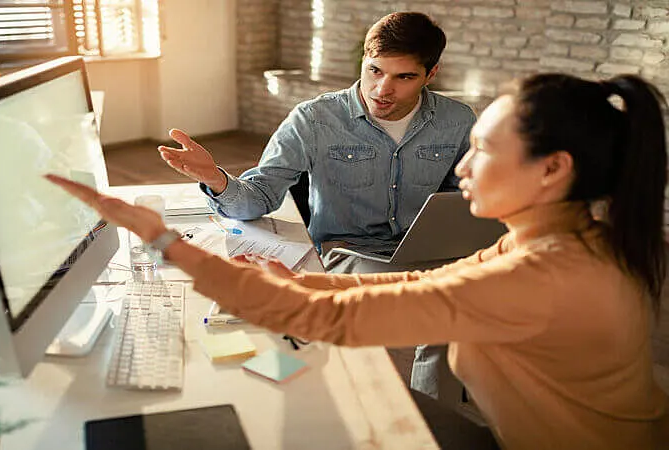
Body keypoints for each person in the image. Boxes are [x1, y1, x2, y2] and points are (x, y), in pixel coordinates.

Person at [48, 72, 669, 448]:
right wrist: (313, 288)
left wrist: (162, 240)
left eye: (482, 149)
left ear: (553, 169)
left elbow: (340, 326)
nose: (461, 167)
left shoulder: (540, 277)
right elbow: (428, 280)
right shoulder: (556, 235)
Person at [158, 12, 476, 251]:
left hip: (430, 254)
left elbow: (464, 200)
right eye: (375, 71)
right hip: (349, 254)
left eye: (403, 77)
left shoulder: (458, 120)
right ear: (364, 60)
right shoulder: (314, 119)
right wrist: (215, 179)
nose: (382, 89)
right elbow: (261, 198)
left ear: (430, 74)